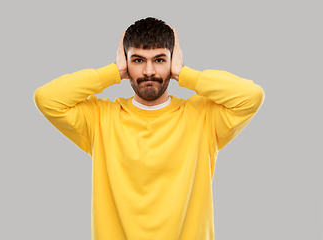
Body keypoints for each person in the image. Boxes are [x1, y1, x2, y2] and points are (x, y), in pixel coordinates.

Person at [34, 17, 264, 240]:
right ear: (126, 63)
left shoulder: (202, 117)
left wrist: (183, 74)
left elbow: (251, 97)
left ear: (173, 61)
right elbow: (47, 99)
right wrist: (114, 72)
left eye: (160, 60)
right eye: (138, 60)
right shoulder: (100, 118)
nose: (148, 71)